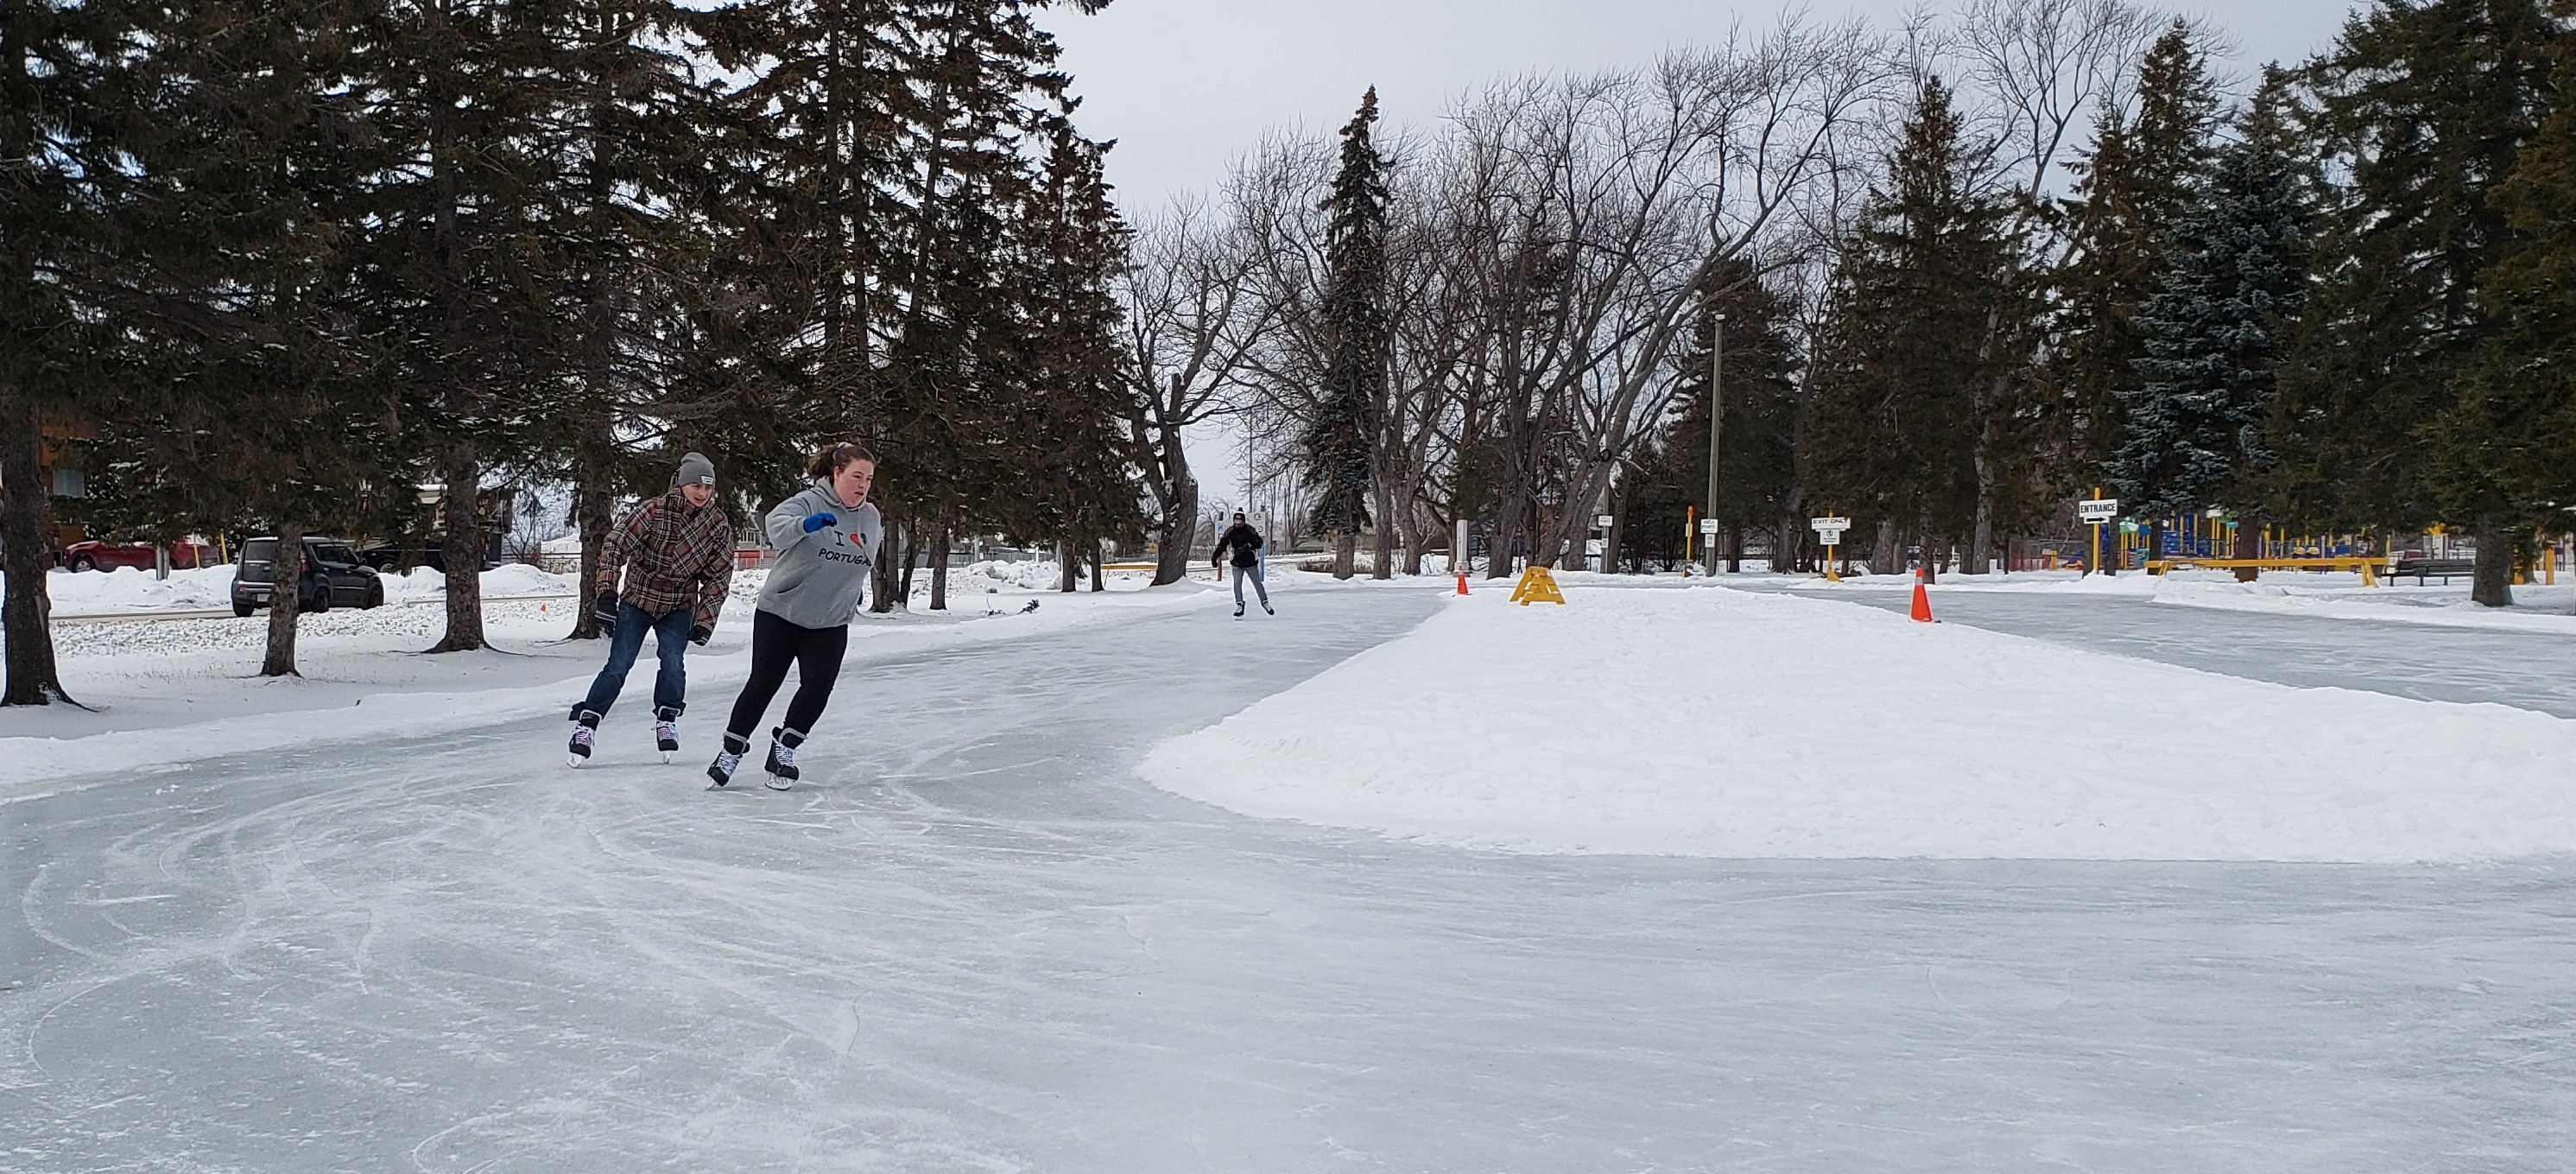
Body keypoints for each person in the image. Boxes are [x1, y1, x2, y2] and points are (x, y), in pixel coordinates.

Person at [707, 441, 882, 789]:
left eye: (869, 479)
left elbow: (865, 558)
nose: (863, 485)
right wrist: (805, 525)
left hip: (830, 620)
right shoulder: (808, 502)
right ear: (837, 473)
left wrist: (850, 588)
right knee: (763, 684)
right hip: (782, 612)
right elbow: (775, 528)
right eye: (856, 476)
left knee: (818, 687)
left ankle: (784, 747)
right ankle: (731, 749)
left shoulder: (871, 517)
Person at [568, 452, 734, 766]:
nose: (702, 493)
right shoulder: (653, 510)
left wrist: (705, 621)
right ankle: (586, 725)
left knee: (673, 661)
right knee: (619, 665)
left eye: (708, 488)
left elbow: (719, 575)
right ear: (681, 485)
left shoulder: (717, 525)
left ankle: (667, 717)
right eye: (696, 486)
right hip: (638, 599)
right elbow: (615, 545)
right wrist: (606, 592)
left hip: (678, 604)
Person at [1214, 511, 1273, 619]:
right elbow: (1222, 545)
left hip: (1250, 562)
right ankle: (1239, 604)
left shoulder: (1249, 530)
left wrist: (1247, 546)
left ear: (1243, 521)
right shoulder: (1230, 532)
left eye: (1240, 520)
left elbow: (1259, 543)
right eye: (1236, 520)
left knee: (1257, 582)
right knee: (1237, 583)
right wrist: (1215, 557)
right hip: (1236, 562)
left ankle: (1264, 602)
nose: (1238, 523)